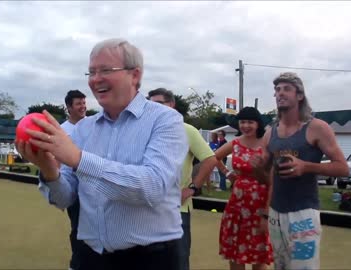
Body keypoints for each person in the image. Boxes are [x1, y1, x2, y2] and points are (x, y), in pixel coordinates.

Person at [16, 38, 188, 270]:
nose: (95, 79)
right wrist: (49, 169)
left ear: (135, 75)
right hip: (90, 256)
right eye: (91, 72)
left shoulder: (166, 120)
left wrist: (78, 158)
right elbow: (65, 199)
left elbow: (153, 187)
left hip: (152, 259)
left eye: (106, 70)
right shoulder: (84, 128)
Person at [251, 72, 349, 270]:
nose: (280, 93)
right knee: (280, 266)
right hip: (276, 214)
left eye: (287, 88)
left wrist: (306, 166)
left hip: (303, 213)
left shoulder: (316, 127)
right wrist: (258, 166)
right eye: (277, 90)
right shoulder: (271, 132)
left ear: (299, 96)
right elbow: (266, 177)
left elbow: (343, 168)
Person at [148, 88, 217, 270]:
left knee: (178, 260)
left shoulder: (187, 130)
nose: (153, 108)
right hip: (147, 208)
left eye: (159, 103)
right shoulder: (145, 131)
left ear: (171, 105)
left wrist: (193, 188)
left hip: (177, 208)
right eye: (150, 104)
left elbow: (210, 160)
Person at [215, 107, 273, 270]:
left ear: (258, 124)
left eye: (250, 122)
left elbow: (273, 181)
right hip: (237, 206)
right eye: (242, 122)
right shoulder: (235, 143)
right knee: (235, 253)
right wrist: (227, 173)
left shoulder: (268, 145)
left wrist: (267, 214)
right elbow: (213, 157)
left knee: (259, 255)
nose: (246, 125)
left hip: (261, 204)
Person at [62, 89, 87, 270]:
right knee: (78, 228)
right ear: (69, 108)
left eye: (84, 103)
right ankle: (76, 264)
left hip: (94, 185)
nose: (83, 107)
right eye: (78, 104)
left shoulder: (93, 125)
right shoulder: (62, 131)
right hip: (74, 187)